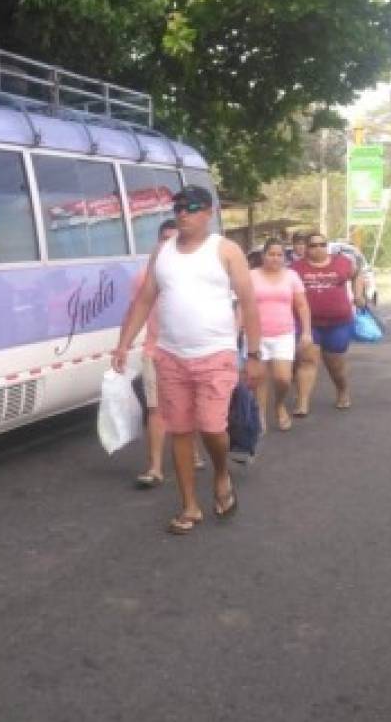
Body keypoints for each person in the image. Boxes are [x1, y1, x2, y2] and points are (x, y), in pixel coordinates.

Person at [112, 185, 263, 535]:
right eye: (178, 206)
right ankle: (189, 506)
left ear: (208, 212)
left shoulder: (225, 250)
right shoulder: (162, 252)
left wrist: (253, 354)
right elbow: (145, 300)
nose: (183, 212)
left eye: (192, 207)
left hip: (216, 354)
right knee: (179, 431)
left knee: (212, 428)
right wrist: (123, 344)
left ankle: (221, 475)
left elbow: (249, 303)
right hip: (170, 356)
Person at [127, 220, 206, 489]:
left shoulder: (197, 273)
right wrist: (122, 345)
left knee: (188, 405)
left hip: (192, 351)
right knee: (156, 408)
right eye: (164, 239)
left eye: (174, 240)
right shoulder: (143, 277)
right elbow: (137, 309)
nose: (167, 245)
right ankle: (155, 467)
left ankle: (192, 449)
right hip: (155, 350)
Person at [291, 232, 365, 413]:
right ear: (306, 248)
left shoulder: (342, 262)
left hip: (338, 323)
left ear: (327, 246)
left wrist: (358, 295)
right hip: (309, 324)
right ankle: (302, 403)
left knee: (335, 365)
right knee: (306, 360)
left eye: (322, 244)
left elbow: (357, 275)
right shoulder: (295, 268)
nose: (318, 248)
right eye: (313, 245)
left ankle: (342, 390)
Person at [249, 238, 312, 431]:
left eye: (279, 255)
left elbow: (301, 305)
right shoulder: (251, 276)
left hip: (283, 334)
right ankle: (260, 416)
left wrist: (307, 332)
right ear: (263, 256)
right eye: (271, 254)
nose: (275, 258)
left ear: (284, 257)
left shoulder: (291, 276)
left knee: (283, 379)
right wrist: (237, 330)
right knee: (259, 378)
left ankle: (279, 404)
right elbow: (243, 306)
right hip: (256, 335)